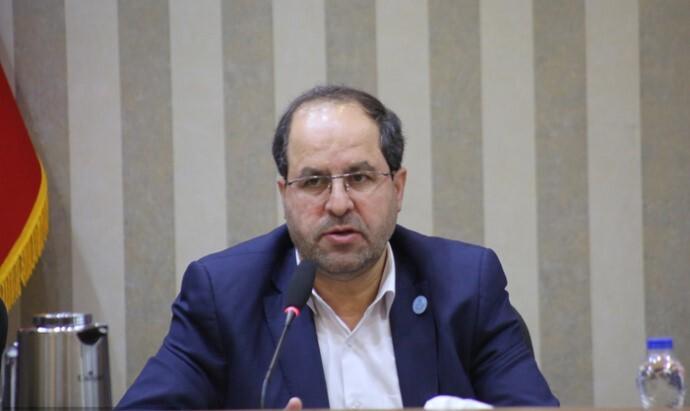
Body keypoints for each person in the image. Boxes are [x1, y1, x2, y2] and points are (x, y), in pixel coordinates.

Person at [117, 85, 558, 410]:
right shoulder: (224, 294)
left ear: (398, 188)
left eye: (360, 178)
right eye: (313, 182)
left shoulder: (466, 285)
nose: (339, 204)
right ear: (285, 195)